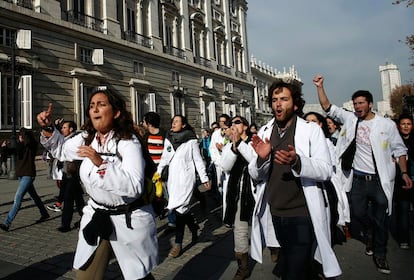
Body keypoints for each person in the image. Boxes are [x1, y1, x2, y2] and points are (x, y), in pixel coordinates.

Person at [37, 85, 158, 279]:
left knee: (138, 276)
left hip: (127, 220)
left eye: (101, 105)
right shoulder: (87, 138)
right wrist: (47, 128)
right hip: (97, 216)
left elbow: (134, 187)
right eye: (92, 105)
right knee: (86, 276)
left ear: (116, 112)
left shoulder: (128, 141)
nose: (94, 109)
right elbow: (61, 151)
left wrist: (100, 163)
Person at [313, 74, 412, 275]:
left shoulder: (386, 125)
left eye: (361, 103)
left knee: (381, 219)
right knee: (357, 214)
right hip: (356, 180)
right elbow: (327, 107)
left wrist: (404, 173)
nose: (357, 107)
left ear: (370, 104)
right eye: (355, 103)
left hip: (379, 181)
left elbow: (400, 150)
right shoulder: (350, 119)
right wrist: (320, 87)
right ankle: (369, 234)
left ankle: (380, 254)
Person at [249, 79, 342, 279]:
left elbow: (326, 170)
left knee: (293, 271)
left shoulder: (311, 130)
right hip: (275, 212)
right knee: (292, 264)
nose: (278, 104)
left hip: (302, 213)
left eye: (284, 99)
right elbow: (255, 175)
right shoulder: (265, 132)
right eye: (274, 100)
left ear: (296, 104)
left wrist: (298, 162)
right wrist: (260, 159)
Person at [157, 115, 210, 258]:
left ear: (184, 125)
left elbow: (198, 160)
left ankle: (178, 244)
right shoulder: (169, 138)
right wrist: (158, 172)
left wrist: (204, 177)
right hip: (174, 179)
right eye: (172, 121)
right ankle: (193, 228)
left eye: (176, 122)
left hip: (187, 179)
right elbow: (164, 157)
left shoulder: (191, 140)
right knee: (179, 208)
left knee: (181, 210)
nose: (173, 124)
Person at [221, 116, 256, 279]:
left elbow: (255, 162)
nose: (233, 125)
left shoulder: (255, 142)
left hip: (255, 191)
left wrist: (240, 145)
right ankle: (243, 267)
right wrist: (234, 148)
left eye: (237, 122)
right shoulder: (229, 146)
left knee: (264, 226)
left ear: (246, 127)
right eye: (231, 123)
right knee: (240, 229)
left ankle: (277, 248)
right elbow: (226, 167)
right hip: (238, 192)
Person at [0, 128, 50, 232]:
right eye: (19, 135)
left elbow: (30, 143)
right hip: (21, 175)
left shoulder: (31, 146)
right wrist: (4, 148)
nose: (19, 137)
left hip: (28, 175)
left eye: (21, 136)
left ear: (25, 136)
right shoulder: (20, 147)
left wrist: (25, 134)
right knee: (34, 196)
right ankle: (44, 214)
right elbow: (11, 151)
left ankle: (7, 223)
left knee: (18, 198)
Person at [56, 121, 85, 232]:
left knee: (68, 198)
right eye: (62, 127)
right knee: (78, 200)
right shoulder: (65, 139)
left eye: (64, 127)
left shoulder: (76, 139)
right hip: (66, 173)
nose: (62, 129)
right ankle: (85, 218)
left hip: (73, 173)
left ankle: (65, 224)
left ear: (71, 129)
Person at [393, 113, 414, 249]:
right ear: (398, 126)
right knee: (403, 210)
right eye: (403, 124)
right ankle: (404, 239)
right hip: (401, 180)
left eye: (408, 124)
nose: (406, 127)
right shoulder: (395, 141)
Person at [209, 114, 231, 195]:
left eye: (223, 121)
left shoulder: (230, 132)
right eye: (220, 121)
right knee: (220, 184)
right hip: (218, 163)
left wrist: (223, 149)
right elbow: (212, 148)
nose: (221, 123)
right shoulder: (216, 134)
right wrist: (215, 160)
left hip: (229, 162)